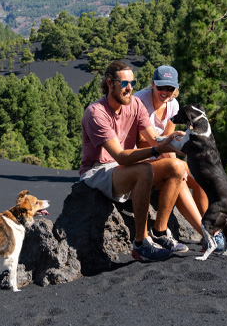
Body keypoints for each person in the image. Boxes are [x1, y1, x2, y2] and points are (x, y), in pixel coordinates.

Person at [80, 60, 191, 262]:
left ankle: (160, 231)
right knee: (145, 170)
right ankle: (141, 244)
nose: (129, 88)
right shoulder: (96, 113)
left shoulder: (135, 104)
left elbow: (152, 138)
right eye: (124, 83)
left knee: (177, 167)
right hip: (99, 170)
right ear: (110, 83)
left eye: (133, 83)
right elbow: (120, 156)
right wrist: (158, 149)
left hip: (124, 167)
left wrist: (172, 141)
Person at [135, 65, 227, 254]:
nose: (165, 92)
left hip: (161, 153)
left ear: (175, 90)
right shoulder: (139, 101)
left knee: (199, 177)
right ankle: (209, 236)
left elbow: (167, 136)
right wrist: (176, 146)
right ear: (152, 85)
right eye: (161, 87)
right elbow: (143, 141)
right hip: (142, 157)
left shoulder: (173, 104)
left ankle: (211, 230)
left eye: (170, 89)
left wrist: (177, 147)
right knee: (180, 174)